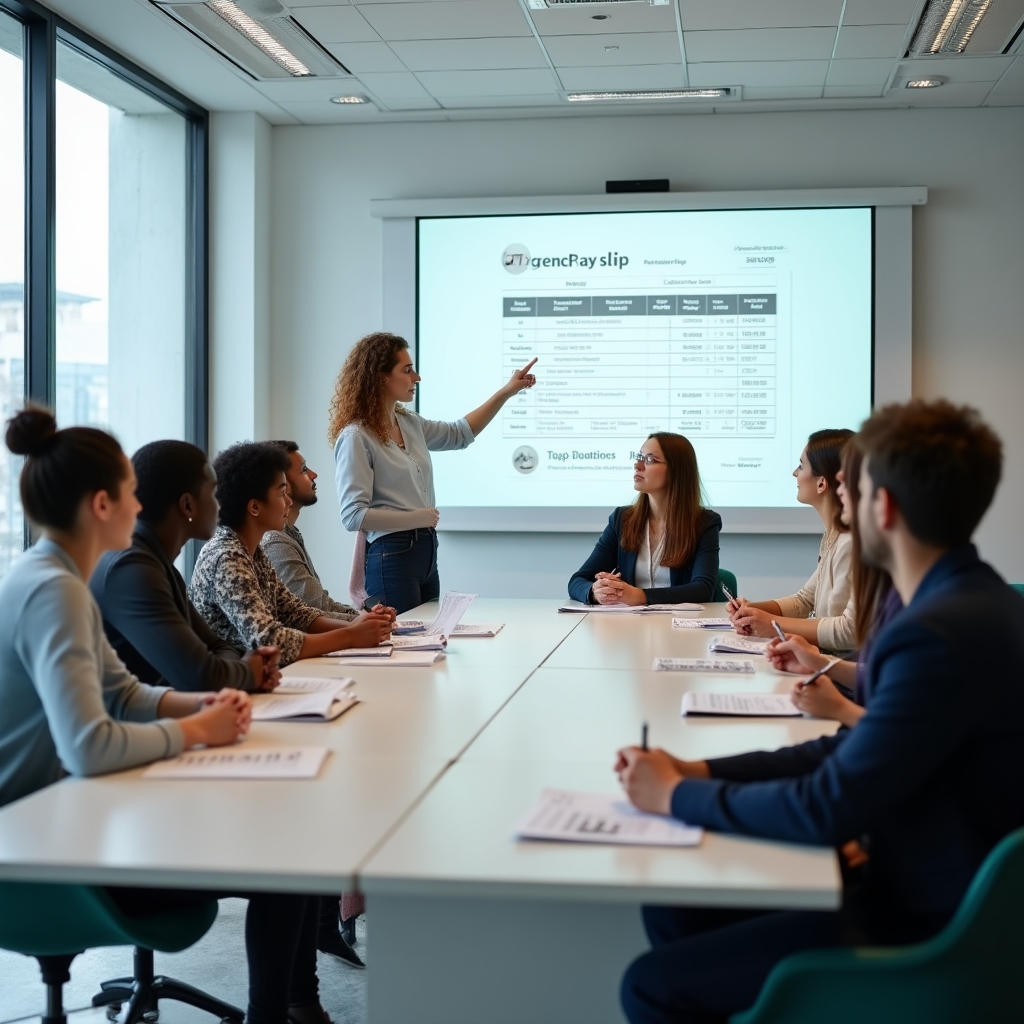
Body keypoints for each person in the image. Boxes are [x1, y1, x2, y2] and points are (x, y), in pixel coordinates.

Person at [614, 399, 1024, 1024]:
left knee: (652, 984)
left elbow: (824, 805)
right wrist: (697, 774)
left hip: (924, 915)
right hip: (936, 868)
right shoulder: (971, 602)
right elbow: (846, 751)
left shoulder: (932, 634)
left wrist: (672, 797)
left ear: (880, 508)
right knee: (674, 906)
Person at [0, 408, 325, 1024]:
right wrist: (196, 729)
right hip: (39, 854)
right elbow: (89, 747)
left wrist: (202, 703)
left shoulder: (54, 573)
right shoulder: (56, 588)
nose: (139, 505)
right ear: (102, 504)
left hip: (59, 823)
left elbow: (122, 695)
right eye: (130, 494)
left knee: (290, 851)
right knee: (291, 860)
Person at [331, 332, 538, 614]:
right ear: (380, 377)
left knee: (427, 642)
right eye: (407, 370)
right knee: (401, 649)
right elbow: (353, 516)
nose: (416, 377)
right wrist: (419, 517)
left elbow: (459, 434)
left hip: (425, 551)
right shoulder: (356, 436)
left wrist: (506, 392)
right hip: (391, 553)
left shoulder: (409, 421)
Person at [261, 440, 368, 969]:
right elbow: (290, 624)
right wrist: (357, 631)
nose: (312, 477)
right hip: (261, 698)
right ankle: (325, 924)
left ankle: (328, 922)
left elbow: (303, 609)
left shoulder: (280, 537)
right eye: (296, 475)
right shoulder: (267, 544)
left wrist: (360, 627)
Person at [91, 440, 281, 693]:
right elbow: (202, 676)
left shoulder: (156, 562)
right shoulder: (131, 568)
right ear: (188, 505)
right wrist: (247, 672)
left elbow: (219, 647)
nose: (220, 505)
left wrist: (239, 673)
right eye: (213, 494)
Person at [190, 442, 392, 665]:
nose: (288, 501)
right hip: (231, 689)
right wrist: (351, 635)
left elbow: (295, 613)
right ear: (255, 507)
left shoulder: (252, 551)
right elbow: (269, 640)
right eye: (281, 493)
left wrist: (361, 625)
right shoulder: (227, 557)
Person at [768, 441, 902, 727]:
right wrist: (821, 664)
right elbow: (879, 672)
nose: (841, 486)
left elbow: (850, 632)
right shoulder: (837, 537)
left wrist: (840, 705)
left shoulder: (857, 546)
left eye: (851, 479)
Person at [728, 429, 856, 652]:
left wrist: (771, 624)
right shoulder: (834, 535)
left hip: (843, 675)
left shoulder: (852, 542)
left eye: (801, 465)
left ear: (821, 483)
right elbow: (804, 601)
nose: (794, 473)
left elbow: (849, 632)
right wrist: (751, 610)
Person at [568, 433, 721, 606]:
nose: (637, 465)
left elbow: (703, 589)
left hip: (679, 626)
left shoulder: (704, 523)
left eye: (650, 460)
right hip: (630, 626)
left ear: (676, 470)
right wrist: (596, 591)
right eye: (639, 457)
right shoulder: (622, 519)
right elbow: (577, 581)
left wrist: (639, 596)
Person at [262, 440, 360, 621]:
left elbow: (322, 605)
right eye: (304, 469)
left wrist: (362, 616)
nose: (314, 475)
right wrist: (362, 622)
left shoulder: (290, 534)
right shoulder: (275, 541)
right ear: (283, 483)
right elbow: (312, 611)